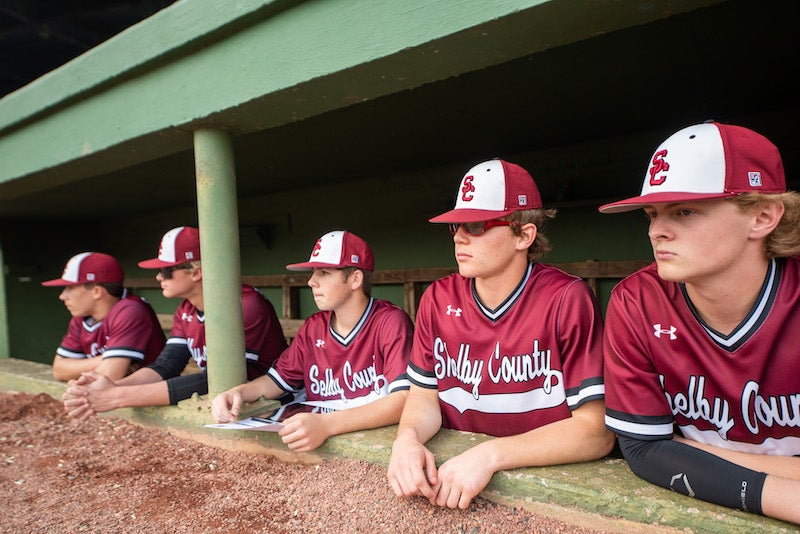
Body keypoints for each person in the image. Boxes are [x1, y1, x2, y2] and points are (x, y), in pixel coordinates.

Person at [598, 121, 800, 524]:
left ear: (762, 217)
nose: (656, 230)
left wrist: (686, 451)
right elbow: (642, 450)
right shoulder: (636, 301)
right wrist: (781, 495)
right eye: (653, 213)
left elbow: (663, 450)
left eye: (684, 211)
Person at [387, 159, 614, 509]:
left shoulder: (566, 298)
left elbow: (596, 431)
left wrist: (490, 455)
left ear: (524, 235)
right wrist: (407, 438)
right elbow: (424, 397)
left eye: (476, 225)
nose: (460, 236)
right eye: (456, 225)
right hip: (451, 482)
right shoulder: (437, 297)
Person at [211, 230, 414, 452]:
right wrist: (237, 393)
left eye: (324, 273)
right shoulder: (313, 327)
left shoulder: (390, 322)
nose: (311, 281)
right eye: (313, 272)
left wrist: (326, 425)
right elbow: (275, 382)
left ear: (355, 279)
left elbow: (403, 399)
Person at [62, 226, 287, 417]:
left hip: (275, 405)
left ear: (196, 272)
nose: (159, 277)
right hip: (233, 406)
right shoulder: (187, 308)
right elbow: (167, 365)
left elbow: (219, 380)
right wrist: (108, 387)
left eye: (166, 270)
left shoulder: (244, 304)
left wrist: (116, 396)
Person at [43, 251, 165, 382]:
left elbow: (110, 375)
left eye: (70, 288)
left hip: (154, 395)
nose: (62, 296)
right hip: (115, 395)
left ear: (96, 291)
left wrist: (108, 365)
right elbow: (59, 370)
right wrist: (105, 360)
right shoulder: (81, 316)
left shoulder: (130, 310)